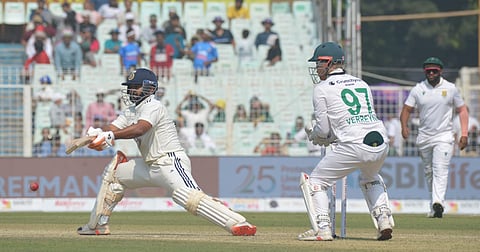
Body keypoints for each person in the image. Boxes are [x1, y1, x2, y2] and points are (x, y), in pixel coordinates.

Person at [76, 68, 256, 236]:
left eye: (135, 87)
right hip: (149, 165)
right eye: (129, 87)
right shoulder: (131, 110)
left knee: (187, 197)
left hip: (170, 162)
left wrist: (109, 136)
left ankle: (238, 222)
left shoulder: (154, 106)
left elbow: (140, 129)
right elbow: (113, 127)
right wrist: (99, 133)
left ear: (149, 88)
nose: (131, 91)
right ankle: (97, 225)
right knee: (114, 174)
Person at [299, 42, 394, 241]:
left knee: (316, 182)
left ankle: (323, 228)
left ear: (330, 62)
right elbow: (353, 120)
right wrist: (328, 136)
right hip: (380, 141)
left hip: (353, 144)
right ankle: (383, 217)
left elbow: (324, 131)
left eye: (319, 63)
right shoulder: (361, 83)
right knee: (370, 177)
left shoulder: (321, 88)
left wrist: (314, 135)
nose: (317, 68)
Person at [400, 57, 469, 218]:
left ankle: (439, 202)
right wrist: (404, 126)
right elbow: (406, 109)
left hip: (444, 136)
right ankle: (434, 207)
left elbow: (462, 110)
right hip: (424, 136)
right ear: (425, 72)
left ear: (440, 71)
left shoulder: (451, 88)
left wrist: (464, 133)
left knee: (440, 169)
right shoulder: (418, 89)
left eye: (434, 71)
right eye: (428, 71)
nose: (431, 73)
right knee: (429, 171)